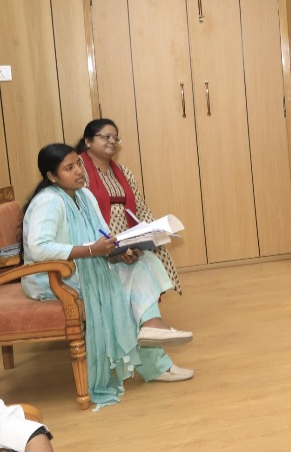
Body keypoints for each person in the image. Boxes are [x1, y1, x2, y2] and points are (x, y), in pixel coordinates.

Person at [20, 144, 194, 410]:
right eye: (69, 168)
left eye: (79, 163)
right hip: (52, 278)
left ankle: (153, 330)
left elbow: (103, 236)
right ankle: (155, 360)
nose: (79, 171)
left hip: (84, 266)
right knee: (129, 284)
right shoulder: (48, 201)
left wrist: (119, 252)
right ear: (52, 176)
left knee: (143, 261)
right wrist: (93, 251)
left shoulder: (85, 196)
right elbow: (39, 248)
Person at [76, 119, 181, 294]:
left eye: (115, 138)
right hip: (100, 236)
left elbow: (140, 208)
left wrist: (151, 229)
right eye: (106, 137)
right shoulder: (79, 172)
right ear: (88, 141)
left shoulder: (124, 172)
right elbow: (80, 213)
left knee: (157, 249)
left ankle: (146, 301)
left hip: (128, 234)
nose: (112, 141)